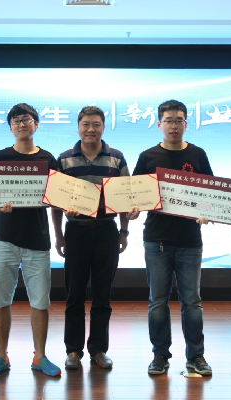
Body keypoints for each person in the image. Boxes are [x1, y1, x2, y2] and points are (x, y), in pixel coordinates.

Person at [51, 105, 139, 370]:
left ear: (103, 127)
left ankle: (99, 350)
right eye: (86, 124)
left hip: (107, 232)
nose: (91, 129)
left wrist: (124, 231)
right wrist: (59, 236)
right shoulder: (64, 159)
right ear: (78, 127)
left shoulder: (116, 158)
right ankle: (73, 350)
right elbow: (55, 202)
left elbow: (125, 197)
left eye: (96, 124)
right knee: (74, 295)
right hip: (76, 232)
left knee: (102, 295)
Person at [133, 99, 213, 376]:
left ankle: (196, 356)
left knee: (192, 302)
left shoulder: (198, 154)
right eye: (168, 120)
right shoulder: (148, 157)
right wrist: (132, 209)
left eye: (179, 120)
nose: (174, 126)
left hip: (190, 239)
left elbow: (211, 194)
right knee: (157, 301)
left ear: (186, 124)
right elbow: (134, 194)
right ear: (159, 124)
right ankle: (160, 355)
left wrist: (206, 211)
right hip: (157, 239)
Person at [0, 103, 61, 378]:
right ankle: (0, 356)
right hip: (4, 238)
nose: (21, 124)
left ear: (36, 124)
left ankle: (40, 356)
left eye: (26, 119)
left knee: (40, 302)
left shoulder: (48, 159)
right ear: (10, 127)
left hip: (37, 239)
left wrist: (60, 233)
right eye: (16, 121)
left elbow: (57, 199)